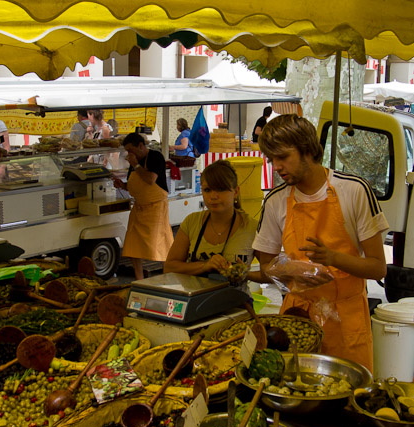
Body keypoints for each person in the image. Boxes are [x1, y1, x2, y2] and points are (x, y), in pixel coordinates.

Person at [253, 114, 388, 371]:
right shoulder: (275, 200)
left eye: (283, 157)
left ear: (306, 149)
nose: (277, 167)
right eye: (272, 160)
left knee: (348, 398)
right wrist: (291, 270)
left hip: (347, 321)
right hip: (297, 318)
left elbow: (378, 268)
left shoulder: (355, 190)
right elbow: (266, 267)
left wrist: (333, 258)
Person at [164, 160, 263, 291]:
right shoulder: (191, 222)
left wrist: (244, 274)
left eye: (221, 189)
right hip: (195, 302)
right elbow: (169, 267)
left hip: (236, 305)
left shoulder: (252, 228)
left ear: (236, 191)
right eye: (207, 190)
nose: (213, 196)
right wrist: (204, 265)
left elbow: (271, 274)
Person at [113, 133, 173, 280]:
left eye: (131, 150)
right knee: (133, 245)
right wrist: (123, 186)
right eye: (127, 151)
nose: (129, 154)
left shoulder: (155, 157)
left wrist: (136, 165)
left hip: (155, 207)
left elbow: (150, 179)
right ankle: (139, 278)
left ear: (141, 146)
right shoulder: (135, 163)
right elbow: (136, 185)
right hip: (139, 207)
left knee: (159, 243)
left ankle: (169, 273)